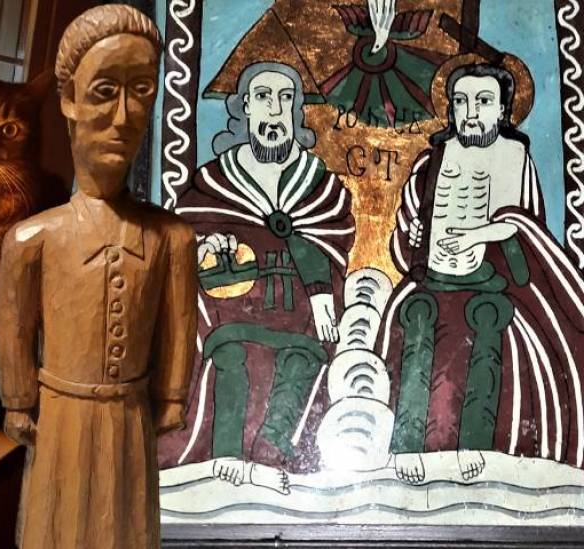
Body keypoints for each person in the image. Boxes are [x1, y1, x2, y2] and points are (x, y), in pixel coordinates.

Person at [0, 6, 197, 548]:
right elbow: (13, 326)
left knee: (126, 527)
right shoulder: (32, 240)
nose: (124, 116)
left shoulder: (172, 239)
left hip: (130, 421)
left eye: (142, 91)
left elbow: (178, 325)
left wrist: (172, 395)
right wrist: (17, 399)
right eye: (105, 91)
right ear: (69, 100)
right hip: (58, 418)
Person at [377, 61, 584, 484]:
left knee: (487, 328)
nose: (471, 112)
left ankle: (473, 443)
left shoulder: (514, 155)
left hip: (488, 278)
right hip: (434, 277)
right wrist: (413, 231)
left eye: (483, 101)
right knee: (416, 321)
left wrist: (475, 235)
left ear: (503, 110)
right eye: (461, 102)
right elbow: (413, 215)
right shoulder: (434, 157)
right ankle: (407, 444)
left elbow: (518, 221)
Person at [162, 62, 355, 478]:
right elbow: (185, 235)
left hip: (300, 309)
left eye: (286, 99)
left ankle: (271, 454)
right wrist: (207, 247)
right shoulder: (215, 180)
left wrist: (322, 292)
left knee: (301, 360)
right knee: (232, 353)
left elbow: (334, 236)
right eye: (264, 97)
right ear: (246, 106)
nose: (275, 110)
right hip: (233, 307)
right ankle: (227, 456)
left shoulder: (320, 184)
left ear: (297, 110)